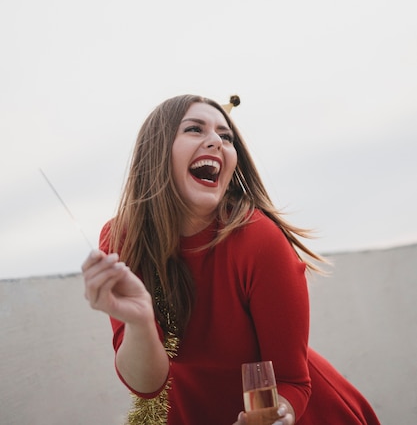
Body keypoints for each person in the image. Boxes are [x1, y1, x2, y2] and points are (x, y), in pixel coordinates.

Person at [82, 94, 381, 425]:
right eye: (195, 129)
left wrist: (272, 419)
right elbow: (148, 386)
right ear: (156, 151)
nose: (216, 141)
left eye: (226, 137)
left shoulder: (259, 238)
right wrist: (138, 321)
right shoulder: (122, 237)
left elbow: (292, 381)